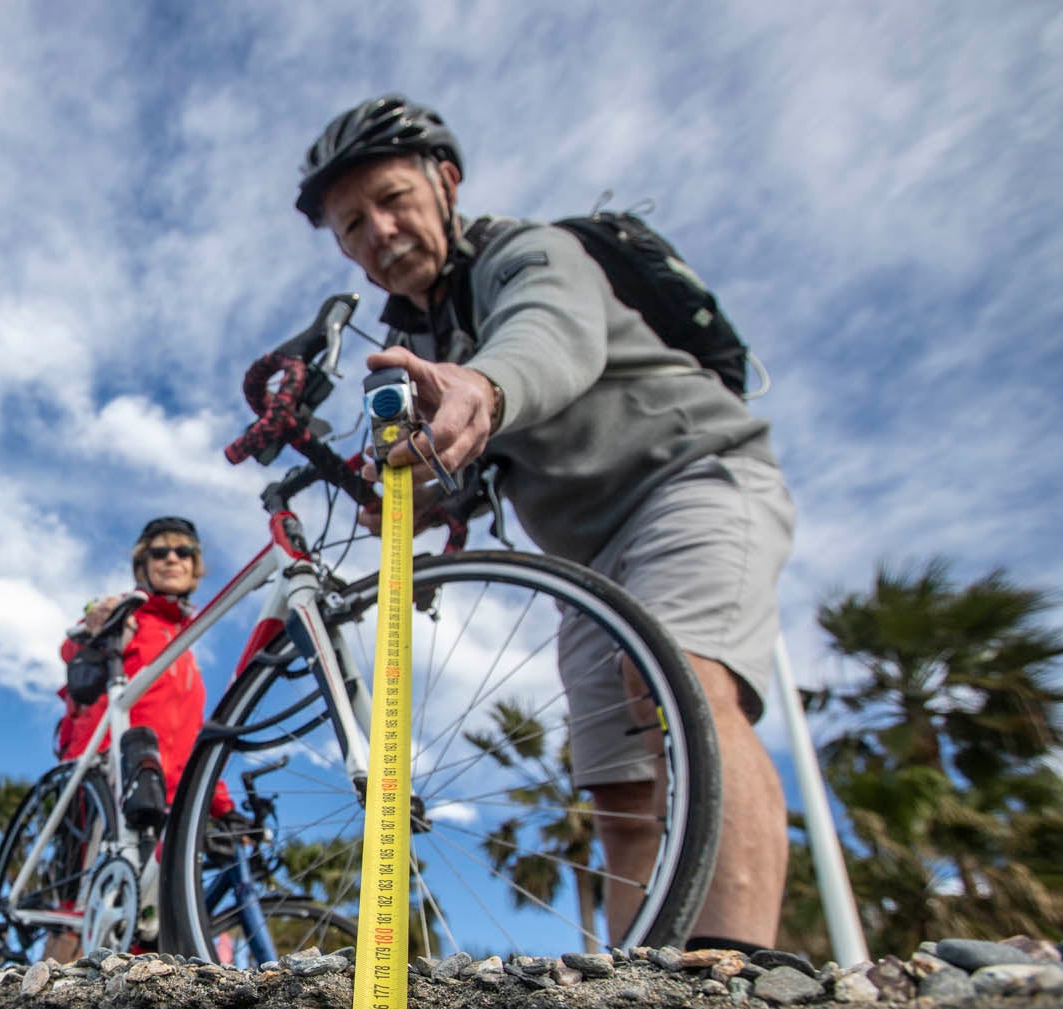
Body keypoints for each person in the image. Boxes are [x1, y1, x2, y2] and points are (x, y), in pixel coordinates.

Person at [295, 93, 796, 953]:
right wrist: (402, 496)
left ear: (445, 182)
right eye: (351, 226)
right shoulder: (433, 336)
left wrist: (482, 390)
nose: (377, 232)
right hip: (587, 562)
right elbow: (473, 472)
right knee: (620, 784)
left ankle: (740, 982)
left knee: (686, 687)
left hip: (690, 481)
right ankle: (648, 988)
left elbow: (551, 333)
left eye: (392, 200)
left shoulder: (530, 252)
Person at [56, 516, 238, 826]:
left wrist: (223, 807)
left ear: (194, 567)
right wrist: (96, 619)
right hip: (107, 780)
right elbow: (73, 649)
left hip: (166, 803)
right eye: (159, 552)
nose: (171, 558)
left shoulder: (186, 650)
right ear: (143, 565)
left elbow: (191, 737)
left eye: (183, 552)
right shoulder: (129, 613)